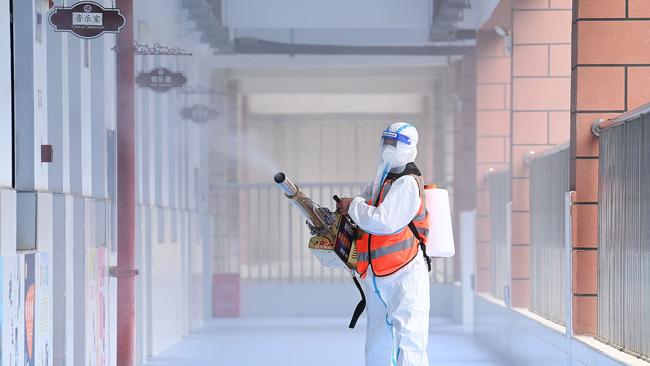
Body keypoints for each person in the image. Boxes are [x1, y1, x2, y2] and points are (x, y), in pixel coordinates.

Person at [337, 122, 431, 366]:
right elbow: (365, 203)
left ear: (409, 147)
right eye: (386, 142)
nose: (389, 148)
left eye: (395, 143)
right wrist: (350, 208)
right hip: (378, 276)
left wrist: (353, 206)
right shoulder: (384, 175)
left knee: (409, 339)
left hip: (405, 275)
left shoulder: (407, 183)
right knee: (378, 341)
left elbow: (384, 221)